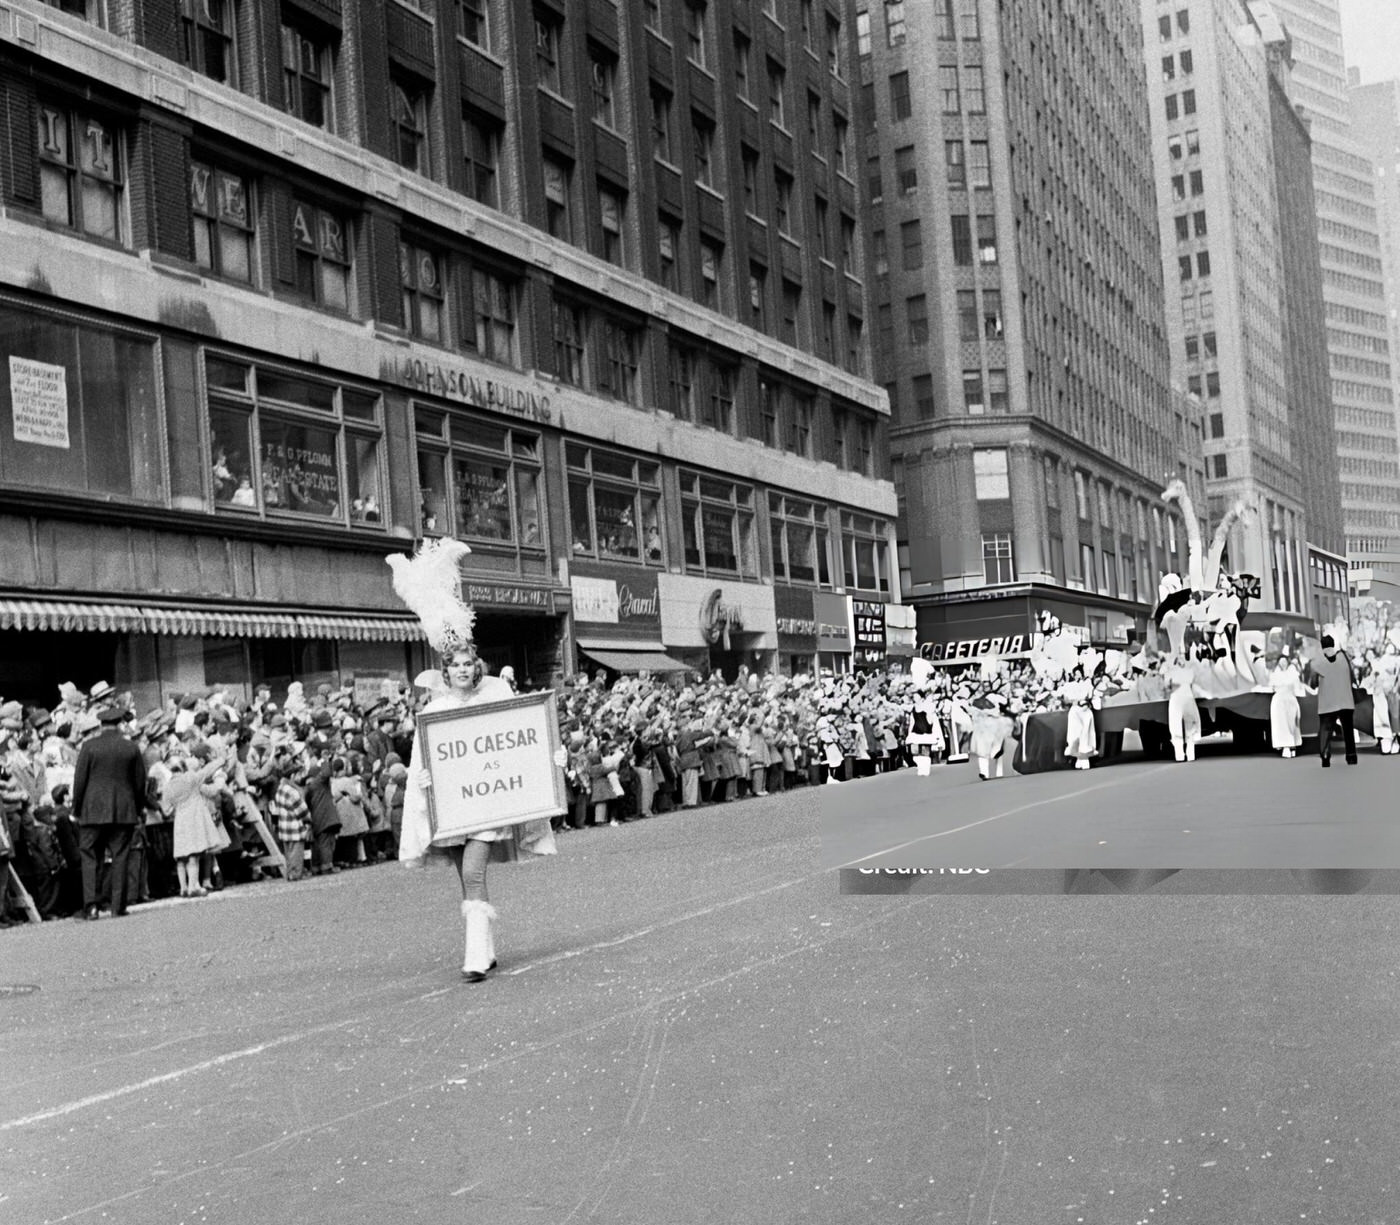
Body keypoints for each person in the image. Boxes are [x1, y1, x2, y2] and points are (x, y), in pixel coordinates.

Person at [389, 537, 564, 985]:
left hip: (484, 806)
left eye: (469, 663)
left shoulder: (498, 696)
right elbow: (423, 759)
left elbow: (520, 737)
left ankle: (473, 959)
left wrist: (549, 758)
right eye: (456, 666)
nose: (464, 670)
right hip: (451, 807)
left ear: (477, 666)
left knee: (473, 870)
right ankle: (484, 951)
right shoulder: (434, 713)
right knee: (466, 882)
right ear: (444, 673)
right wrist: (424, 775)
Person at [72, 705, 149, 919]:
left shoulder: (88, 747)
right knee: (120, 857)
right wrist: (138, 807)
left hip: (92, 810)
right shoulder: (130, 747)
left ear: (101, 725)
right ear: (119, 725)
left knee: (90, 857)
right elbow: (140, 782)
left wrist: (76, 809)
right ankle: (118, 905)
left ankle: (92, 906)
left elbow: (79, 781)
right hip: (123, 810)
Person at [1311, 634, 1358, 767]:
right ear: (1333, 644)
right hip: (1346, 700)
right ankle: (1351, 756)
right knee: (1348, 730)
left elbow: (1313, 683)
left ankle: (1325, 756)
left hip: (1327, 702)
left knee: (1325, 730)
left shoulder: (1317, 662)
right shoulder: (1344, 657)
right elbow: (1352, 674)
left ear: (1322, 646)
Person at [1267, 653, 1312, 759]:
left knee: (1292, 724)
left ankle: (1292, 746)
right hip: (1278, 701)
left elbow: (1298, 688)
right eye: (1281, 661)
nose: (1283, 663)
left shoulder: (1293, 674)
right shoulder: (1274, 675)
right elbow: (1272, 688)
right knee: (1281, 725)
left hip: (1290, 700)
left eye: (1285, 661)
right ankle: (1285, 747)